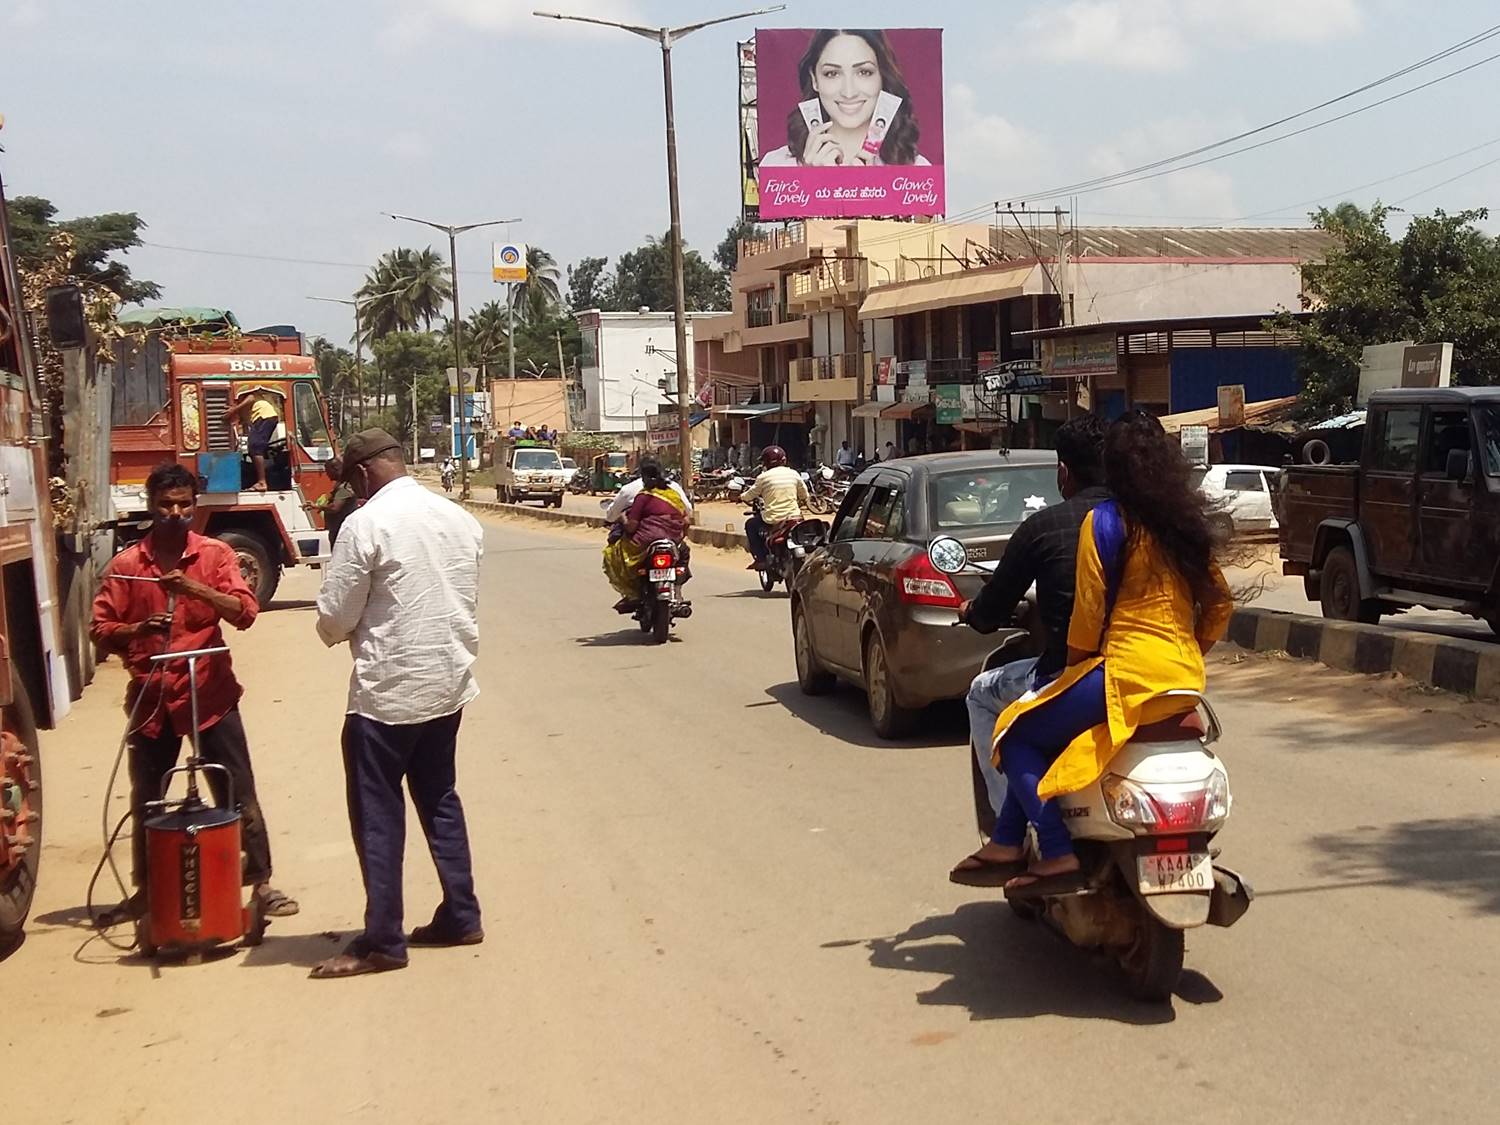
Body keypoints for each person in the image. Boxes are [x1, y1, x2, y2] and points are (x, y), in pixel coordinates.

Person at [983, 411, 1234, 894]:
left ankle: (1055, 851)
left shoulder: (1104, 523)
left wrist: (1071, 675)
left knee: (1013, 734)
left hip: (1124, 675)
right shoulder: (1184, 525)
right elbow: (1219, 604)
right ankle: (1007, 841)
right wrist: (1190, 648)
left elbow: (1087, 617)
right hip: (1184, 682)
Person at [90, 461, 298, 926]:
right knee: (147, 794)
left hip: (210, 692)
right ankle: (146, 891)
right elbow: (100, 630)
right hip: (152, 698)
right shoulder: (127, 566)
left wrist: (192, 589)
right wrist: (137, 629)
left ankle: (261, 883)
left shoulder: (215, 555)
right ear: (151, 507)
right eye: (166, 506)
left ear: (194, 506)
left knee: (235, 787)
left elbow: (245, 611)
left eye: (184, 505)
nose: (175, 513)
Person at [311, 429, 485, 978]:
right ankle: (461, 913)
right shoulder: (458, 517)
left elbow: (334, 622)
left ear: (361, 475)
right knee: (439, 798)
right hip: (448, 684)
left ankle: (384, 939)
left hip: (387, 694)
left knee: (378, 816)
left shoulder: (365, 524)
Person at [947, 416, 1109, 886]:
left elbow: (992, 609)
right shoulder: (1147, 524)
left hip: (1081, 674)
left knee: (998, 713)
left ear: (1063, 472)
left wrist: (971, 611)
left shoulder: (1050, 527)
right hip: (1159, 673)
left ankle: (1013, 836)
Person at [759, 30, 931, 169]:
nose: (849, 92)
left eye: (864, 72)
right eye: (832, 73)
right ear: (814, 80)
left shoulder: (917, 169)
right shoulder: (776, 166)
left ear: (882, 78)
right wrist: (813, 182)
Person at [602, 460, 689, 610]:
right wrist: (680, 537)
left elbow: (631, 527)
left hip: (645, 541)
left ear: (642, 477)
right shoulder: (673, 492)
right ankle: (678, 591)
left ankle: (632, 594)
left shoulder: (642, 496)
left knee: (615, 554)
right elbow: (687, 518)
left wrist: (623, 517)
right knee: (684, 553)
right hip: (673, 540)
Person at [742, 446, 809, 571]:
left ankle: (761, 559)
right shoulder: (794, 474)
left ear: (766, 462)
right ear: (784, 460)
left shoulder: (763, 477)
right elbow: (804, 495)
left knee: (750, 524)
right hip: (795, 517)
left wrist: (741, 496)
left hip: (773, 519)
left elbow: (749, 496)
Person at [231, 389, 280, 492]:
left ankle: (262, 482)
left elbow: (251, 397)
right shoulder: (247, 410)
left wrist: (234, 409)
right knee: (252, 446)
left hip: (264, 416)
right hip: (263, 418)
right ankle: (259, 480)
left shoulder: (246, 396)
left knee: (255, 446)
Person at [315, 455, 358, 549]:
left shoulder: (345, 487)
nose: (326, 474)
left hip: (342, 532)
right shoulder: (340, 485)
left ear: (335, 469)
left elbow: (335, 507)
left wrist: (318, 507)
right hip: (338, 530)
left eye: (327, 471)